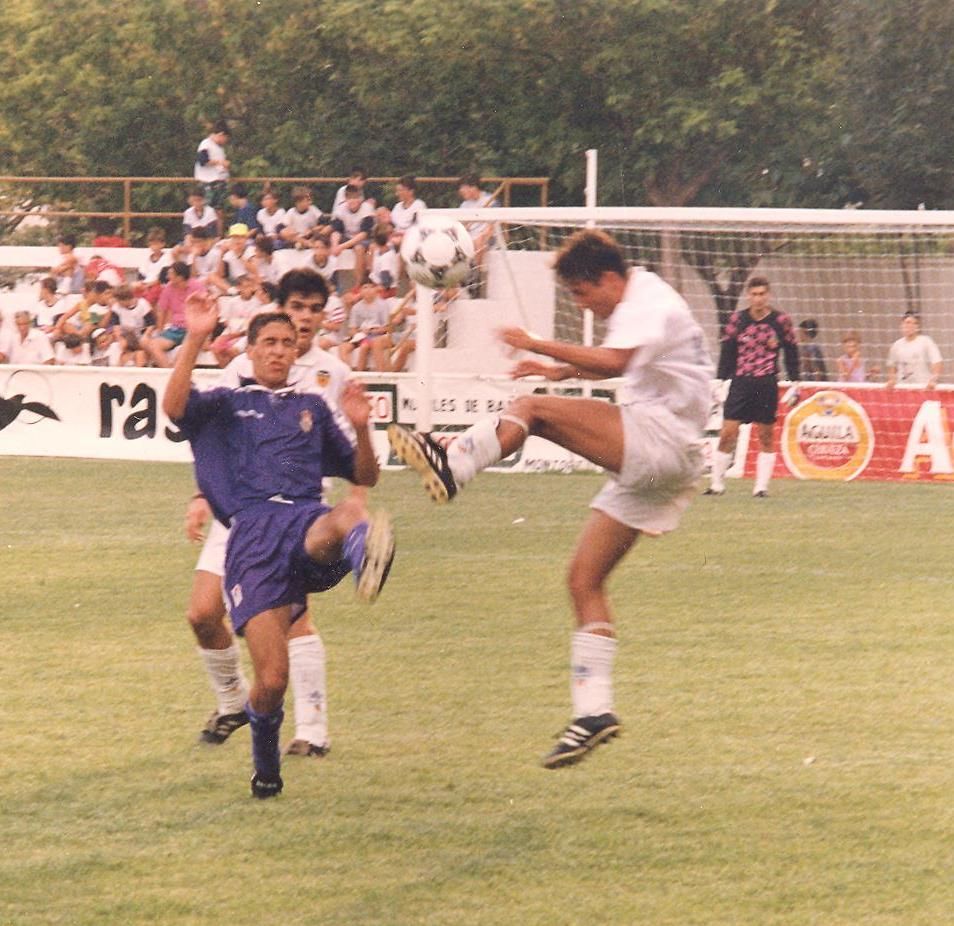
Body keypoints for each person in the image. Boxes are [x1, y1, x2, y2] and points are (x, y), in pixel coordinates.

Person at [388, 229, 712, 769]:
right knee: (583, 580)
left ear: (608, 278)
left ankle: (456, 464)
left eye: (583, 295)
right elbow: (624, 362)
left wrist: (534, 343)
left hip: (661, 440)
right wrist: (558, 370)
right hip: (664, 457)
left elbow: (614, 363)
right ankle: (594, 712)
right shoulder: (644, 300)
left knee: (533, 410)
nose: (583, 306)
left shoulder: (647, 299)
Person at [163, 299, 395, 799]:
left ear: (297, 353)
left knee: (352, 511)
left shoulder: (310, 406)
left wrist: (360, 426)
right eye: (269, 342)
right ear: (250, 351)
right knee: (271, 680)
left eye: (288, 344)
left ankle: (365, 562)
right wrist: (196, 337)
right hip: (250, 537)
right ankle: (266, 771)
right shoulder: (226, 402)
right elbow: (174, 407)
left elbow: (364, 475)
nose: (279, 352)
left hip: (304, 523)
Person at [182, 269, 357, 760]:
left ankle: (313, 731)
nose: (304, 318)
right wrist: (201, 495)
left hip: (297, 513)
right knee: (201, 613)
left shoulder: (332, 374)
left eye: (313, 309)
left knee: (293, 621)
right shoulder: (241, 366)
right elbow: (213, 433)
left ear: (324, 316)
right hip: (238, 509)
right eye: (296, 307)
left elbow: (343, 446)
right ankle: (235, 703)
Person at [706, 276, 799, 498]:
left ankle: (761, 487)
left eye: (762, 294)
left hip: (766, 382)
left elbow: (791, 350)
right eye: (754, 294)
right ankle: (716, 484)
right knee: (728, 432)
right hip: (741, 381)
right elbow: (727, 351)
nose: (758, 299)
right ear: (749, 296)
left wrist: (795, 381)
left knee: (766, 435)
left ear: (769, 295)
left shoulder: (781, 321)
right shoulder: (737, 320)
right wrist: (720, 380)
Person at [142, 261, 206, 367]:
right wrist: (160, 330)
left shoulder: (197, 286)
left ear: (180, 277)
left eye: (171, 274)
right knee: (153, 345)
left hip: (193, 328)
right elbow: (162, 310)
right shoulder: (168, 288)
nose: (168, 276)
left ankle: (174, 374)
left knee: (183, 352)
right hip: (176, 329)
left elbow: (205, 307)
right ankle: (169, 373)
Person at [885, 312, 941, 388]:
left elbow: (937, 362)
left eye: (914, 323)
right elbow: (892, 366)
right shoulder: (896, 345)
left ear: (918, 327)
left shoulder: (926, 341)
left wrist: (933, 380)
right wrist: (892, 380)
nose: (910, 326)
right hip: (902, 388)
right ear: (902, 325)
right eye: (907, 323)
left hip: (923, 387)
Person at [193, 120, 231, 219]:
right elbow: (203, 161)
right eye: (225, 138)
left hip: (219, 182)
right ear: (221, 134)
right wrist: (220, 162)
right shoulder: (206, 144)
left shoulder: (219, 148)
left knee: (219, 209)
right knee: (207, 209)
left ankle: (218, 233)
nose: (225, 141)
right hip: (208, 182)